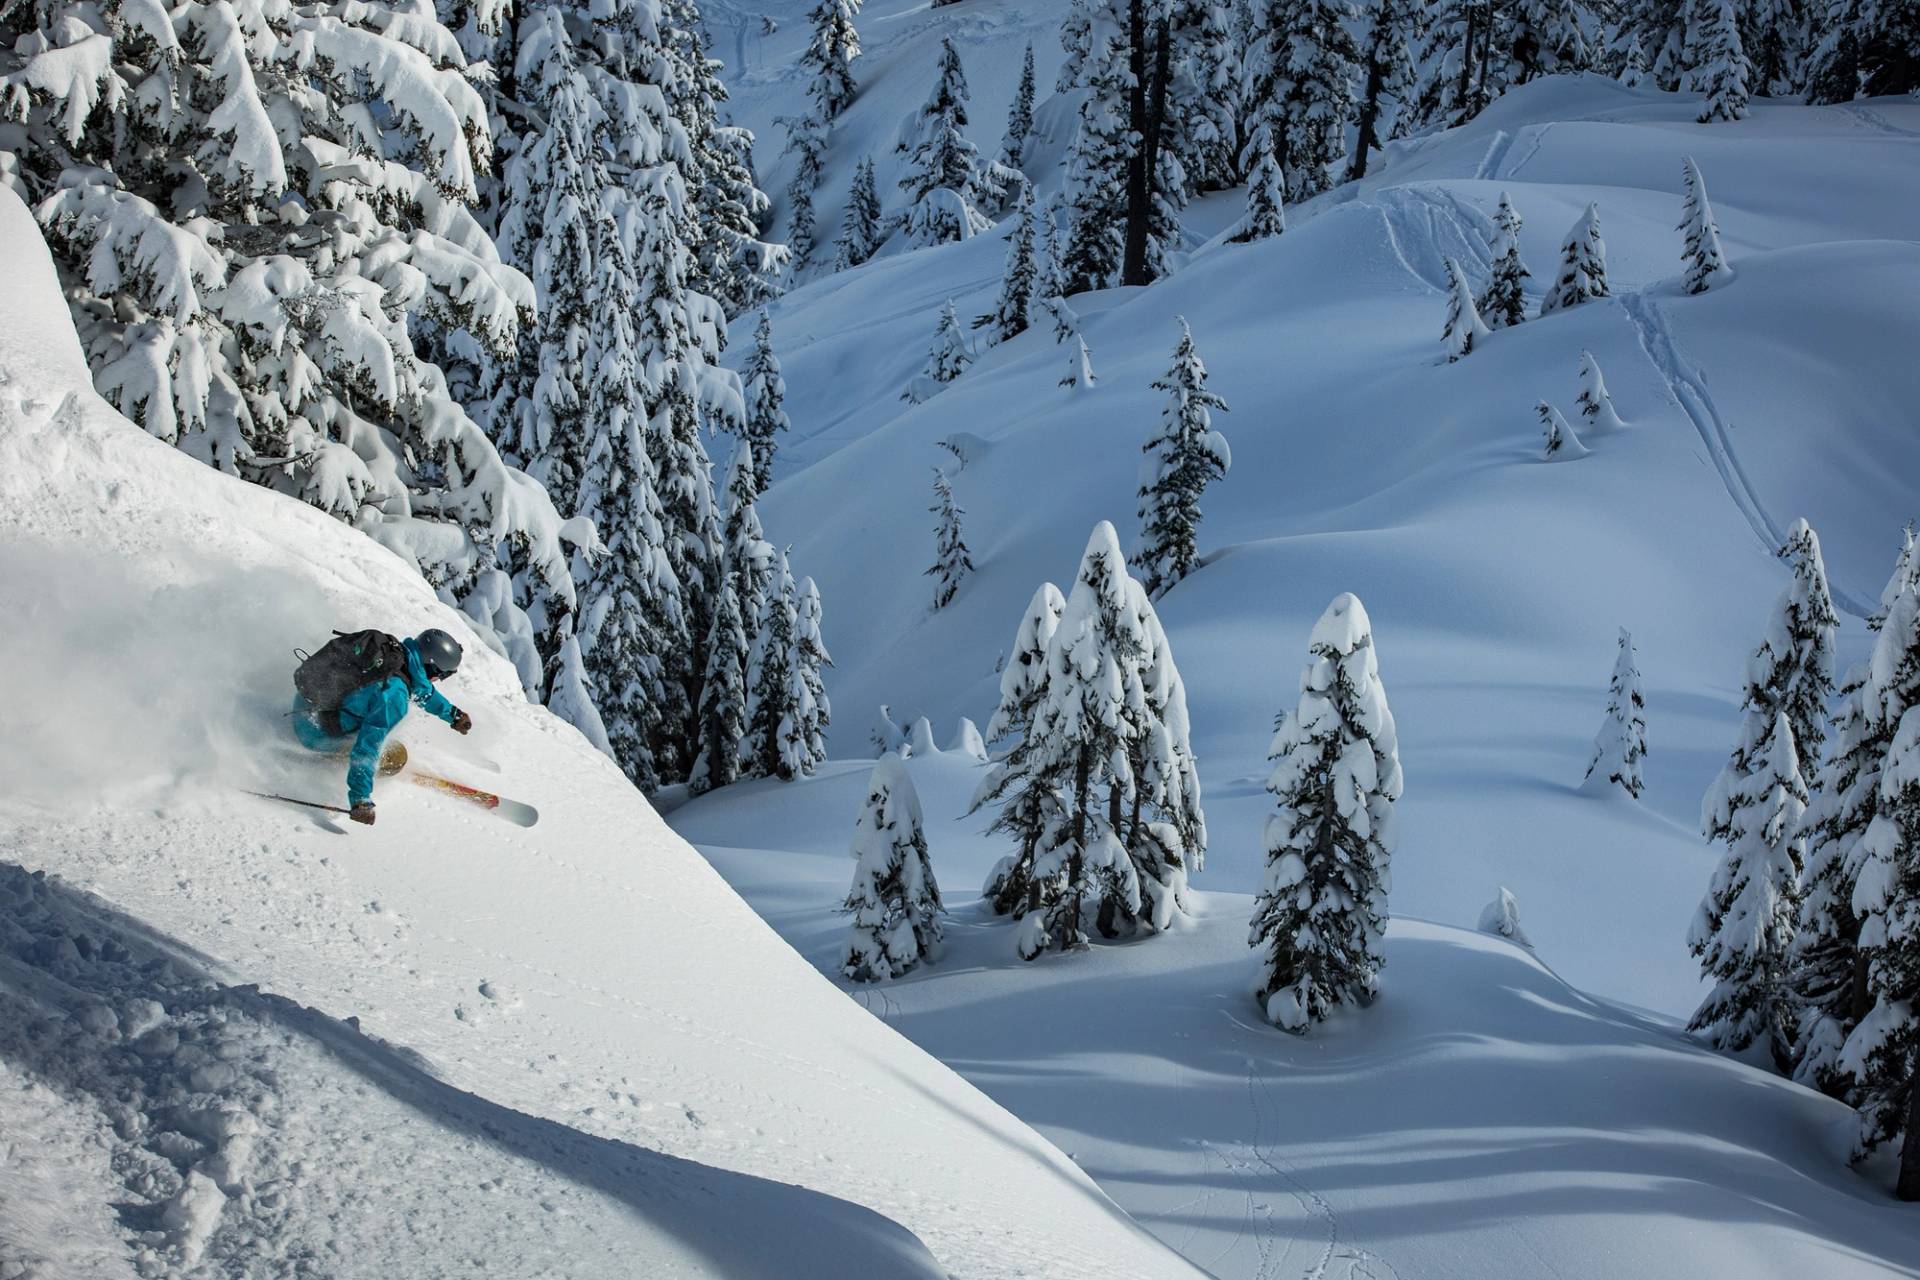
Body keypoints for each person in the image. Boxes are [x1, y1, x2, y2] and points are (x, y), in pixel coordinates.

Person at [291, 628, 474, 824]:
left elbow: (423, 690)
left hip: (305, 707)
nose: (439, 679)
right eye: (442, 674)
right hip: (314, 732)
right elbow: (368, 747)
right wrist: (360, 798)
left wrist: (453, 715)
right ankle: (324, 760)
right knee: (395, 757)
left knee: (376, 730)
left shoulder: (394, 655)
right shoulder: (394, 696)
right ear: (431, 666)